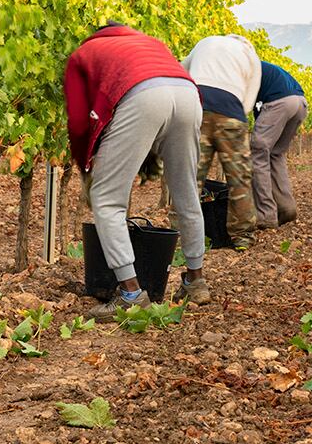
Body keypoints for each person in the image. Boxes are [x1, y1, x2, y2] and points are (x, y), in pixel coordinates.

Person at [62, 24, 208, 311]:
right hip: (188, 94)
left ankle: (130, 295)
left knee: (105, 198)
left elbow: (81, 122)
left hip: (142, 96)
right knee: (186, 190)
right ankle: (195, 281)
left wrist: (89, 164)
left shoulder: (85, 52)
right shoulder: (151, 42)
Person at [183, 33, 260, 249]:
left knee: (189, 177)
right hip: (231, 112)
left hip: (195, 105)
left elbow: (182, 69)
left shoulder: (203, 43)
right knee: (239, 179)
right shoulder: (250, 55)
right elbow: (249, 99)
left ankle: (183, 238)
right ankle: (242, 237)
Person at [251, 60, 308, 229]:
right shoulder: (265, 67)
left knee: (257, 153)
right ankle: (286, 209)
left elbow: (243, 102)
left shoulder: (243, 65)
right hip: (300, 104)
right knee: (275, 154)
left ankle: (266, 215)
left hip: (279, 103)